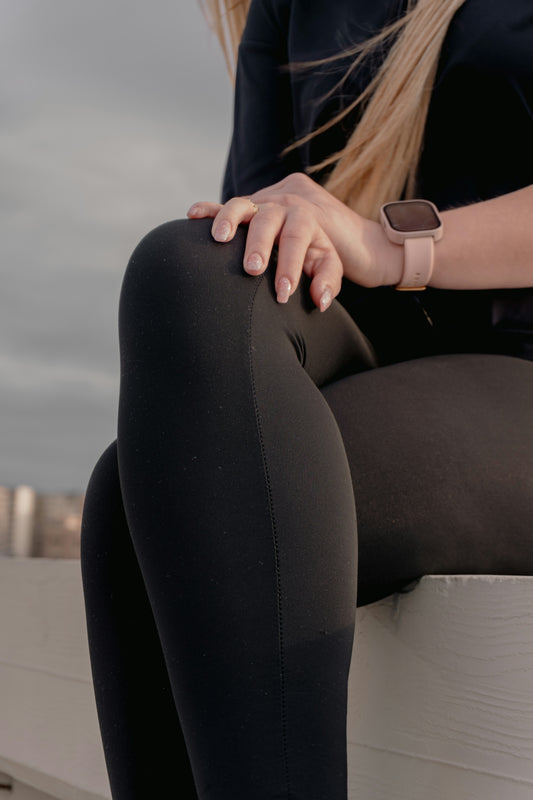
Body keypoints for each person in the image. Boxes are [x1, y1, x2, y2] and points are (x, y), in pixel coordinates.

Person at [80, 1, 533, 798]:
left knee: (139, 499)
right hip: (387, 375)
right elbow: (260, 233)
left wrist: (393, 245)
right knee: (194, 272)